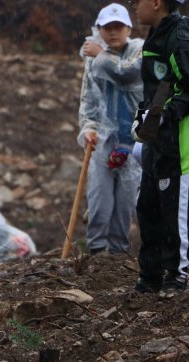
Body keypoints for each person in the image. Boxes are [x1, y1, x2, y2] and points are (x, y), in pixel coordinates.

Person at [130, 0, 189, 298]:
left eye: (138, 1)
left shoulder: (181, 37)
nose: (134, 6)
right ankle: (149, 275)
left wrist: (163, 115)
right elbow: (157, 87)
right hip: (155, 141)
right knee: (147, 207)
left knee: (174, 210)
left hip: (180, 143)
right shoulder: (157, 33)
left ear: (157, 2)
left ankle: (176, 276)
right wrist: (145, 116)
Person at [77, 3, 143, 254]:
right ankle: (96, 251)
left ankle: (118, 253)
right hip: (104, 139)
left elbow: (127, 75)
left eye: (118, 27)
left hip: (135, 139)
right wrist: (88, 129)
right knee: (99, 198)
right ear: (100, 30)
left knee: (126, 201)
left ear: (128, 28)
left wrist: (101, 56)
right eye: (107, 28)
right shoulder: (94, 59)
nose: (113, 33)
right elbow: (89, 101)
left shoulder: (140, 51)